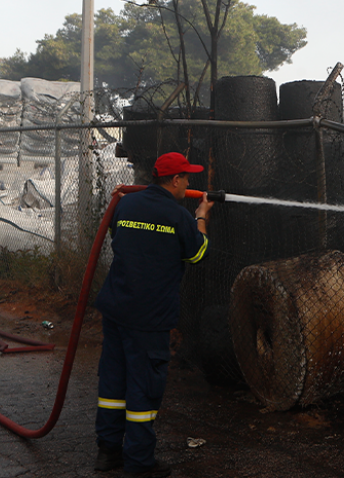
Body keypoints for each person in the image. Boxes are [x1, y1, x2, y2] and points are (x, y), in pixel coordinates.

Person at [93, 152, 214, 477]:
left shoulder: (126, 205)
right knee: (144, 389)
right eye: (187, 177)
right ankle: (139, 463)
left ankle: (107, 452)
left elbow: (120, 238)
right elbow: (198, 253)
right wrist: (201, 215)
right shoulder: (179, 217)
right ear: (175, 181)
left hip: (117, 309)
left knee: (113, 383)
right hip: (149, 318)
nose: (189, 182)